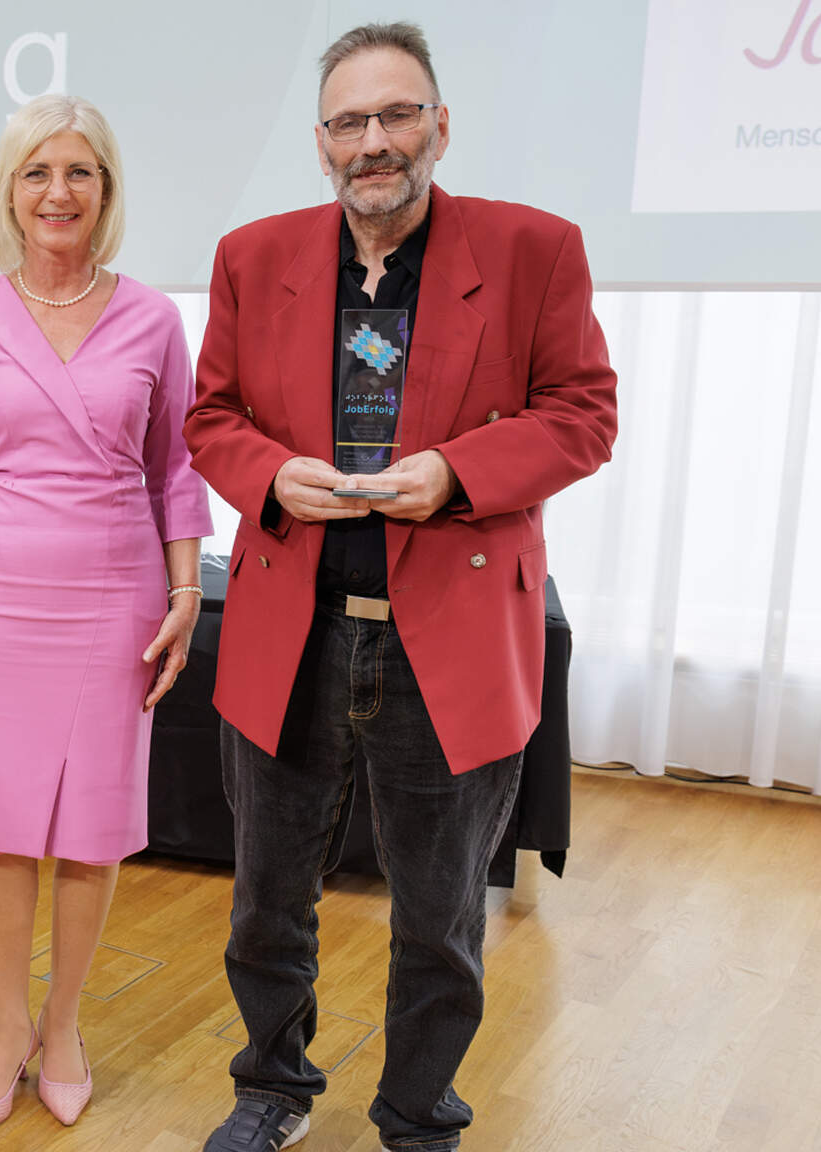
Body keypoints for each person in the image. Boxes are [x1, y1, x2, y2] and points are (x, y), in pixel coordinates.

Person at [185, 22, 618, 1152]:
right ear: (319, 142)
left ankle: (417, 1115)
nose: (372, 142)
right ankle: (269, 1089)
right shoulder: (251, 256)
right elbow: (210, 419)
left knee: (437, 918)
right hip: (295, 627)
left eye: (395, 115)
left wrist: (458, 475)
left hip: (452, 636)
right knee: (265, 902)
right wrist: (272, 473)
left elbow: (583, 414)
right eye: (348, 122)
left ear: (437, 123)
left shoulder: (534, 250)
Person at [0, 94, 213, 1139]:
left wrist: (183, 596)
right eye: (37, 172)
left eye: (79, 172)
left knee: (87, 831)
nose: (57, 191)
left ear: (106, 192)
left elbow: (174, 470)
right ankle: (4, 1031)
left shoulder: (153, 319)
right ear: (8, 191)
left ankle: (65, 1025)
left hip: (112, 601)